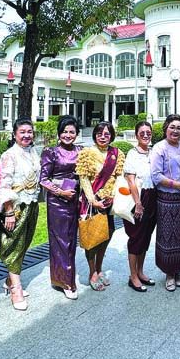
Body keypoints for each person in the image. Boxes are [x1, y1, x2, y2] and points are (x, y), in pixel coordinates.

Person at [0, 118, 41, 311]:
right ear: (14, 134)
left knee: (24, 245)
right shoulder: (9, 155)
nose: (26, 135)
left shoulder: (33, 151)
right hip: (15, 206)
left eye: (29, 132)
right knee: (13, 245)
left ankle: (9, 280)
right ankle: (16, 289)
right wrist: (9, 212)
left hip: (31, 203)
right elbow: (4, 184)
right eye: (22, 132)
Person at [150, 114, 180, 292]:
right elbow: (155, 175)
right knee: (168, 236)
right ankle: (169, 273)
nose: (175, 131)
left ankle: (179, 271)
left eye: (179, 128)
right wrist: (175, 184)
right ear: (166, 129)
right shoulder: (159, 148)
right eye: (172, 127)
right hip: (167, 198)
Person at [76, 121, 125, 291]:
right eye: (99, 133)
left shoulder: (117, 154)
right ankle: (92, 273)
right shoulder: (87, 153)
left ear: (112, 135)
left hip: (109, 203)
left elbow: (119, 178)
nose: (103, 137)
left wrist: (113, 196)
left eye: (106, 134)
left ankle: (99, 268)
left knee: (106, 236)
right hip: (91, 203)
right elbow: (83, 178)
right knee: (93, 239)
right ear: (94, 135)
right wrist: (92, 199)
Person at [40, 115, 82, 300]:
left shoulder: (81, 151)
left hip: (76, 199)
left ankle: (64, 277)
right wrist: (60, 192)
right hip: (58, 202)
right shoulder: (51, 152)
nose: (68, 135)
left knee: (72, 240)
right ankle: (66, 282)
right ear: (59, 133)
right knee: (60, 240)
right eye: (65, 131)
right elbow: (43, 179)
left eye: (72, 132)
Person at [123, 120, 157, 292]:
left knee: (146, 237)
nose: (145, 134)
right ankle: (133, 276)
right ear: (136, 135)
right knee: (136, 237)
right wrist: (138, 204)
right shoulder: (132, 154)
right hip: (138, 198)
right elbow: (131, 180)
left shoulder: (153, 152)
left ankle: (141, 271)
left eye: (148, 132)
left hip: (153, 197)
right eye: (142, 132)